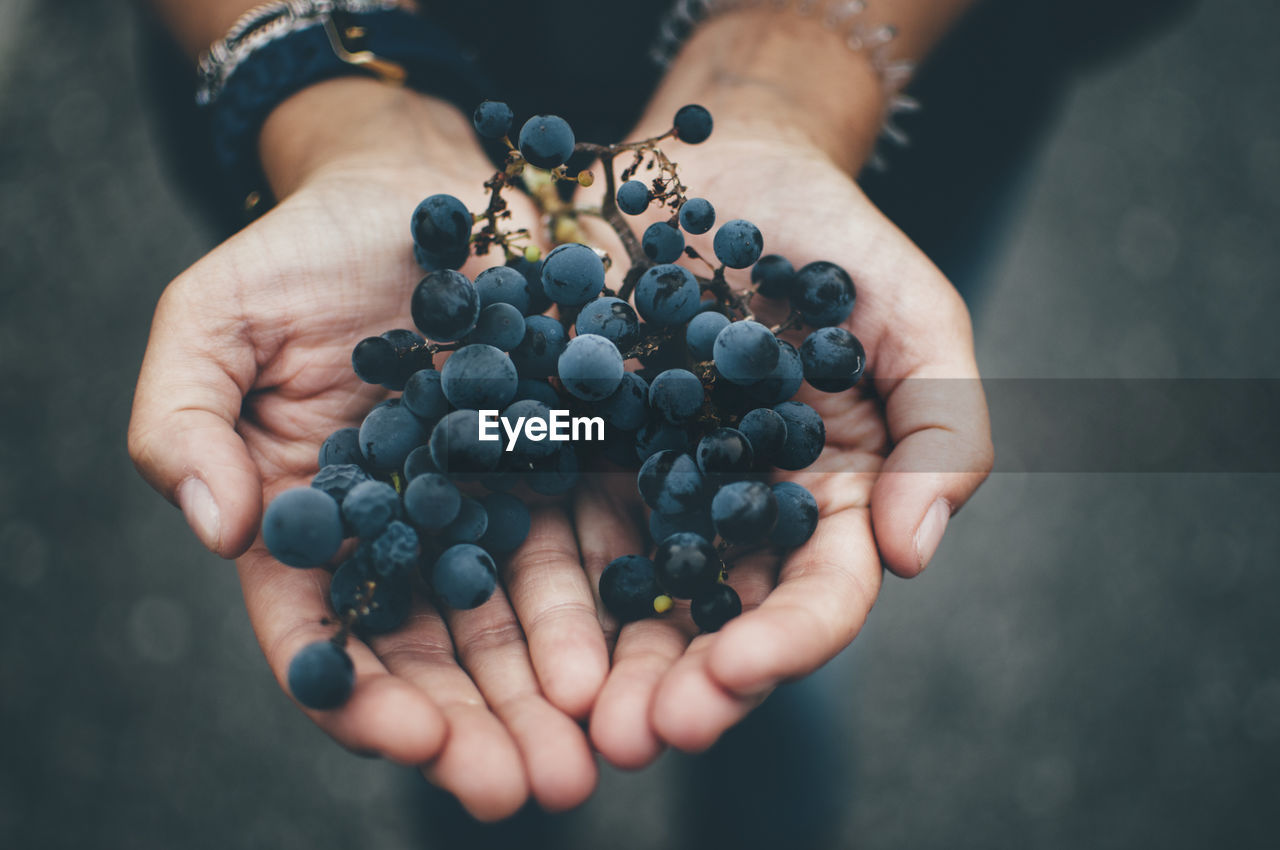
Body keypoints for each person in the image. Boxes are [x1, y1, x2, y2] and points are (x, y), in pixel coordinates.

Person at [131, 0, 1092, 824]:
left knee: (771, 631)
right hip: (339, 124)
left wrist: (800, 62)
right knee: (475, 703)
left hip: (889, 105)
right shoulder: (472, 371)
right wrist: (331, 107)